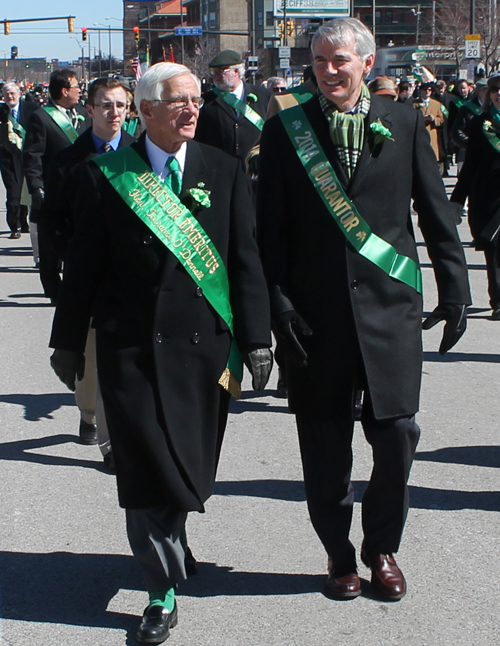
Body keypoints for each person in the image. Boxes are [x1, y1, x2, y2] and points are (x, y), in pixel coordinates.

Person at [49, 62, 272, 644]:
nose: (191, 110)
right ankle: (160, 591)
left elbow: (244, 260)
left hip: (204, 351)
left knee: (189, 465)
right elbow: (85, 269)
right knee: (146, 468)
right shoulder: (105, 176)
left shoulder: (221, 169)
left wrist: (256, 338)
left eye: (196, 99)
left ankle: (173, 536)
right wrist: (68, 340)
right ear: (145, 112)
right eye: (177, 102)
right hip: (132, 351)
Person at [257, 17, 470, 602]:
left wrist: (455, 289)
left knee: (398, 433)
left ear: (366, 65)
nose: (329, 70)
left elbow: (435, 213)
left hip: (389, 309)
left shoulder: (403, 123)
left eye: (340, 60)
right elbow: (268, 230)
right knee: (324, 445)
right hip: (315, 318)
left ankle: (381, 546)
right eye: (321, 60)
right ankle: (338, 552)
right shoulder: (284, 131)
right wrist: (276, 306)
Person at [43, 77, 135, 451]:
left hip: (131, 275)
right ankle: (88, 413)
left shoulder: (141, 153)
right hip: (88, 277)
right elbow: (53, 221)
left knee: (124, 357)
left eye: (121, 106)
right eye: (106, 105)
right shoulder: (68, 160)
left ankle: (113, 442)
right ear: (90, 110)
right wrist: (66, 265)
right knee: (92, 356)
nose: (115, 113)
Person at [23, 68, 91, 304]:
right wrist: (36, 187)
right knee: (50, 244)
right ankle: (53, 291)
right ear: (64, 91)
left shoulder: (84, 114)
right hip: (53, 189)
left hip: (81, 188)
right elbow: (33, 156)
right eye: (76, 87)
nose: (80, 91)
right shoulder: (41, 117)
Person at [451, 74, 500, 320]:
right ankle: (498, 301)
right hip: (488, 198)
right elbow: (469, 165)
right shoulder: (481, 123)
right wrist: (457, 200)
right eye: (495, 90)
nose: (499, 93)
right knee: (493, 249)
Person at [195, 49, 271, 169]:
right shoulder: (206, 101)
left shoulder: (264, 96)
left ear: (236, 72)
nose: (215, 76)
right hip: (220, 170)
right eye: (214, 72)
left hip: (256, 169)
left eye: (220, 71)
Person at [0, 83, 39, 238]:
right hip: (8, 158)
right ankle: (14, 225)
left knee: (26, 190)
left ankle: (24, 223)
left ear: (19, 93)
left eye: (13, 93)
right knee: (14, 192)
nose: (10, 96)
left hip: (28, 155)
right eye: (7, 94)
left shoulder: (32, 108)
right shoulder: (1, 111)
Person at [413, 82, 445, 168]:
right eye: (425, 90)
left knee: (432, 158)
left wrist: (434, 119)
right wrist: (421, 118)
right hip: (419, 133)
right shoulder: (414, 104)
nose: (427, 92)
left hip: (432, 133)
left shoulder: (436, 104)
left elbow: (441, 119)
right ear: (420, 91)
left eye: (429, 90)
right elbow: (411, 117)